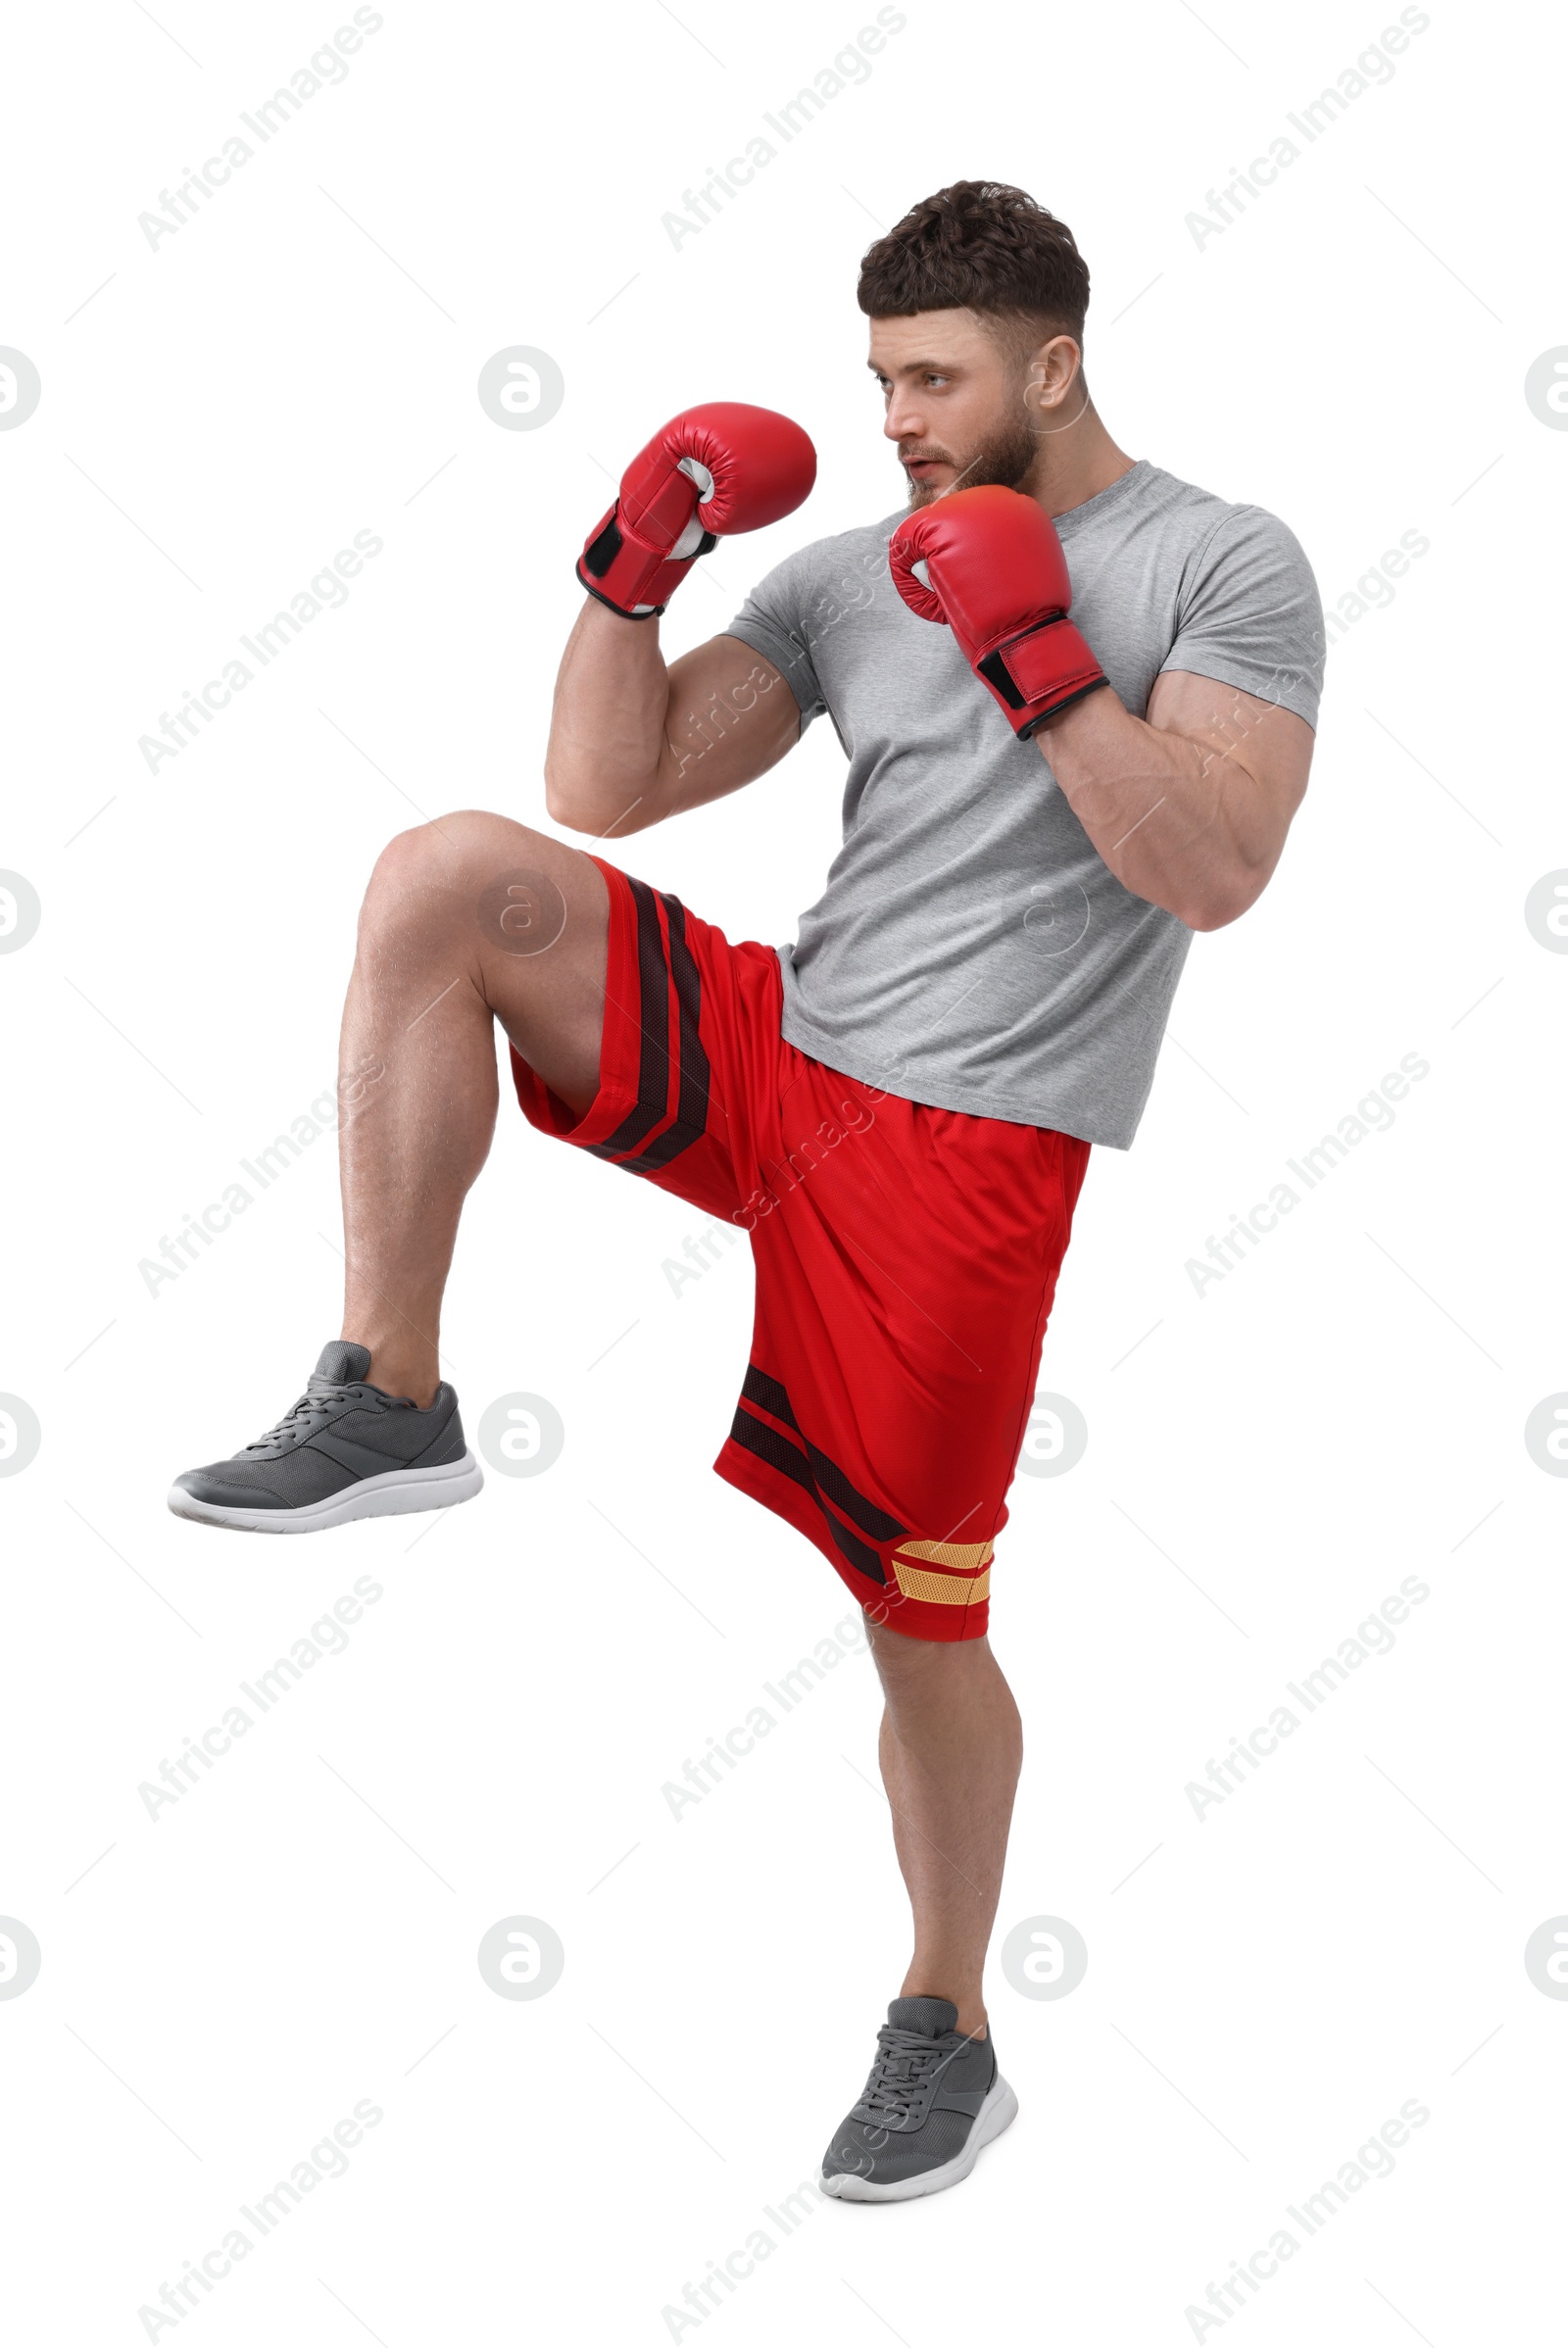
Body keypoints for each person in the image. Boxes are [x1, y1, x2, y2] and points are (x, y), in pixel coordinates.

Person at [168, 179, 1324, 2201]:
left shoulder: (1221, 563)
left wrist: (1042, 665)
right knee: (448, 874)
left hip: (967, 1148)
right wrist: (631, 571)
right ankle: (391, 1385)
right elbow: (610, 790)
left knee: (914, 1615)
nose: (896, 420)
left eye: (934, 378)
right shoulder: (854, 567)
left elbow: (1214, 872)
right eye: (878, 379)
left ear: (1051, 361)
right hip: (783, 1048)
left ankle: (943, 2022)